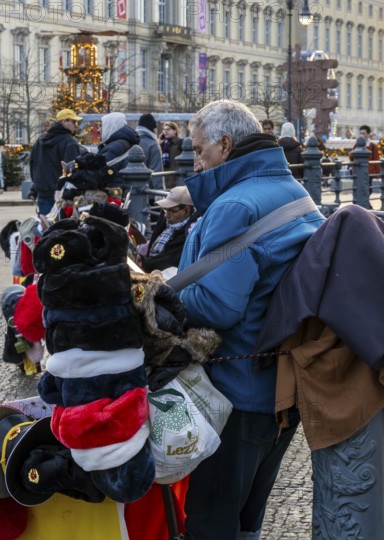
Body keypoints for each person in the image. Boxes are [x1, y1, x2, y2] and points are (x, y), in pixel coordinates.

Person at [178, 100, 324, 539]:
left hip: (234, 389)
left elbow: (219, 307)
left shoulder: (235, 205)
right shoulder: (293, 190)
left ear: (225, 145)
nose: (196, 161)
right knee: (247, 518)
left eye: (200, 150)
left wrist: (165, 291)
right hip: (279, 384)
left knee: (212, 518)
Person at [29, 109, 83, 215]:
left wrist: (35, 189)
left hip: (43, 192)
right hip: (62, 195)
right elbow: (73, 170)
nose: (75, 125)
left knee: (45, 227)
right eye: (73, 122)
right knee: (61, 227)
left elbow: (33, 166)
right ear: (64, 121)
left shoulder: (40, 141)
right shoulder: (70, 142)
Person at [138, 186, 198, 273]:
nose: (166, 215)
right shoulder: (166, 219)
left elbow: (169, 260)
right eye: (165, 210)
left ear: (186, 210)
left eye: (172, 211)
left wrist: (143, 261)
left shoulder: (190, 233)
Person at [97, 111, 140, 176]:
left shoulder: (115, 147)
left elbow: (98, 172)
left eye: (102, 126)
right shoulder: (121, 143)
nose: (98, 130)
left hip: (113, 185)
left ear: (110, 126)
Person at [136, 113, 163, 184]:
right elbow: (157, 171)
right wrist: (159, 192)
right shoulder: (153, 144)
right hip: (147, 189)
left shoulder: (131, 140)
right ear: (153, 128)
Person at [159, 121, 182, 188]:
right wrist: (159, 144)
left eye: (168, 129)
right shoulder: (163, 144)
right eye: (164, 130)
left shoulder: (180, 143)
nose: (165, 132)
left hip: (176, 179)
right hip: (165, 179)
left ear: (175, 131)